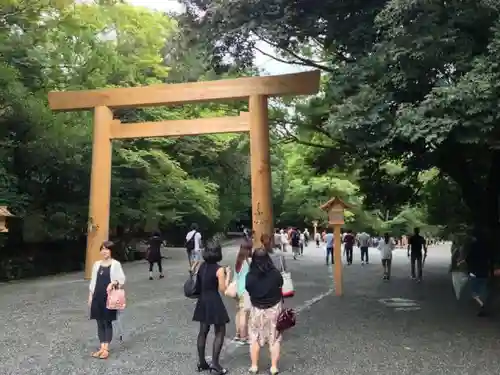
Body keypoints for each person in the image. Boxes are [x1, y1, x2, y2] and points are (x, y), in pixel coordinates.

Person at [192, 241, 231, 374]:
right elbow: (223, 289)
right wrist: (228, 276)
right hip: (214, 301)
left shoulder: (202, 266)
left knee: (203, 331)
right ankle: (215, 364)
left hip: (202, 300)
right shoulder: (219, 269)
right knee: (220, 330)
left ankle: (202, 362)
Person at [246, 247, 284, 375]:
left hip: (256, 309)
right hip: (273, 309)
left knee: (254, 337)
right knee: (275, 338)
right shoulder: (275, 273)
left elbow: (249, 289)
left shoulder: (250, 275)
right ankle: (273, 367)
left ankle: (254, 366)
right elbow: (281, 283)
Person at [88, 241, 126, 359]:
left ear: (111, 251)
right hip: (97, 296)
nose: (104, 251)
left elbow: (121, 279)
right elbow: (93, 281)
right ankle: (101, 347)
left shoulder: (115, 264)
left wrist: (113, 282)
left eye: (107, 249)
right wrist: (90, 296)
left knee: (107, 322)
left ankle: (106, 349)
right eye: (102, 249)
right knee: (99, 322)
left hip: (109, 297)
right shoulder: (96, 264)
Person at [233, 239, 253, 343]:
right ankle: (244, 336)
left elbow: (235, 277)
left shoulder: (238, 261)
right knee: (245, 314)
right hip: (246, 290)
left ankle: (237, 334)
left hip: (237, 289)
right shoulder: (248, 263)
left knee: (239, 312)